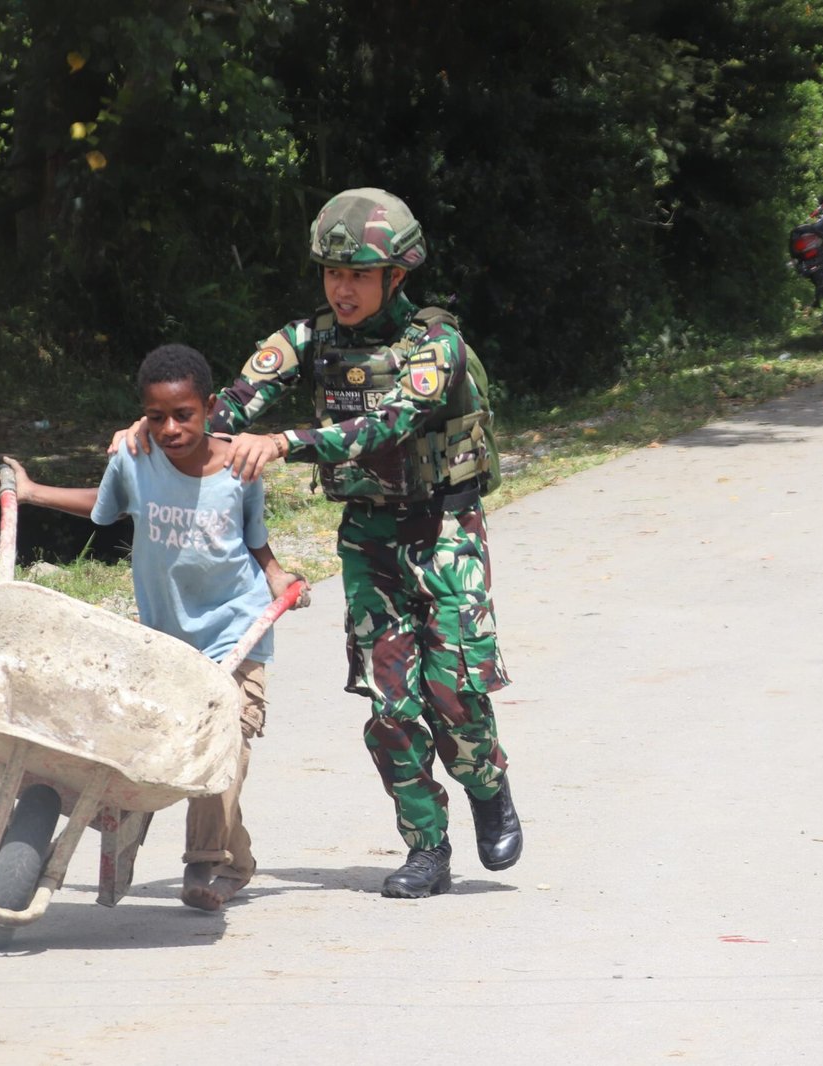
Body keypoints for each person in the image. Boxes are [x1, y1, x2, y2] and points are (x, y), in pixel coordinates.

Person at [113, 188, 519, 899]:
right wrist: (152, 432)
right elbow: (231, 403)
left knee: (453, 695)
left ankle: (486, 783)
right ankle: (427, 847)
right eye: (333, 273)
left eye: (359, 274)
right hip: (369, 536)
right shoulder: (308, 336)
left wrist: (285, 445)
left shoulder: (435, 346)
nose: (343, 287)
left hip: (444, 532)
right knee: (391, 705)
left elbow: (387, 426)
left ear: (397, 275)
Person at [0, 343, 307, 911]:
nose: (170, 428)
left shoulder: (240, 468)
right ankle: (236, 857)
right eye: (157, 415)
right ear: (143, 413)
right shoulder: (134, 460)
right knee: (174, 757)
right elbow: (107, 507)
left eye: (183, 414)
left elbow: (254, 539)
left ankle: (206, 866)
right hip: (165, 641)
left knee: (224, 744)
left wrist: (279, 576)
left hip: (236, 633)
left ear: (210, 407)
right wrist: (33, 491)